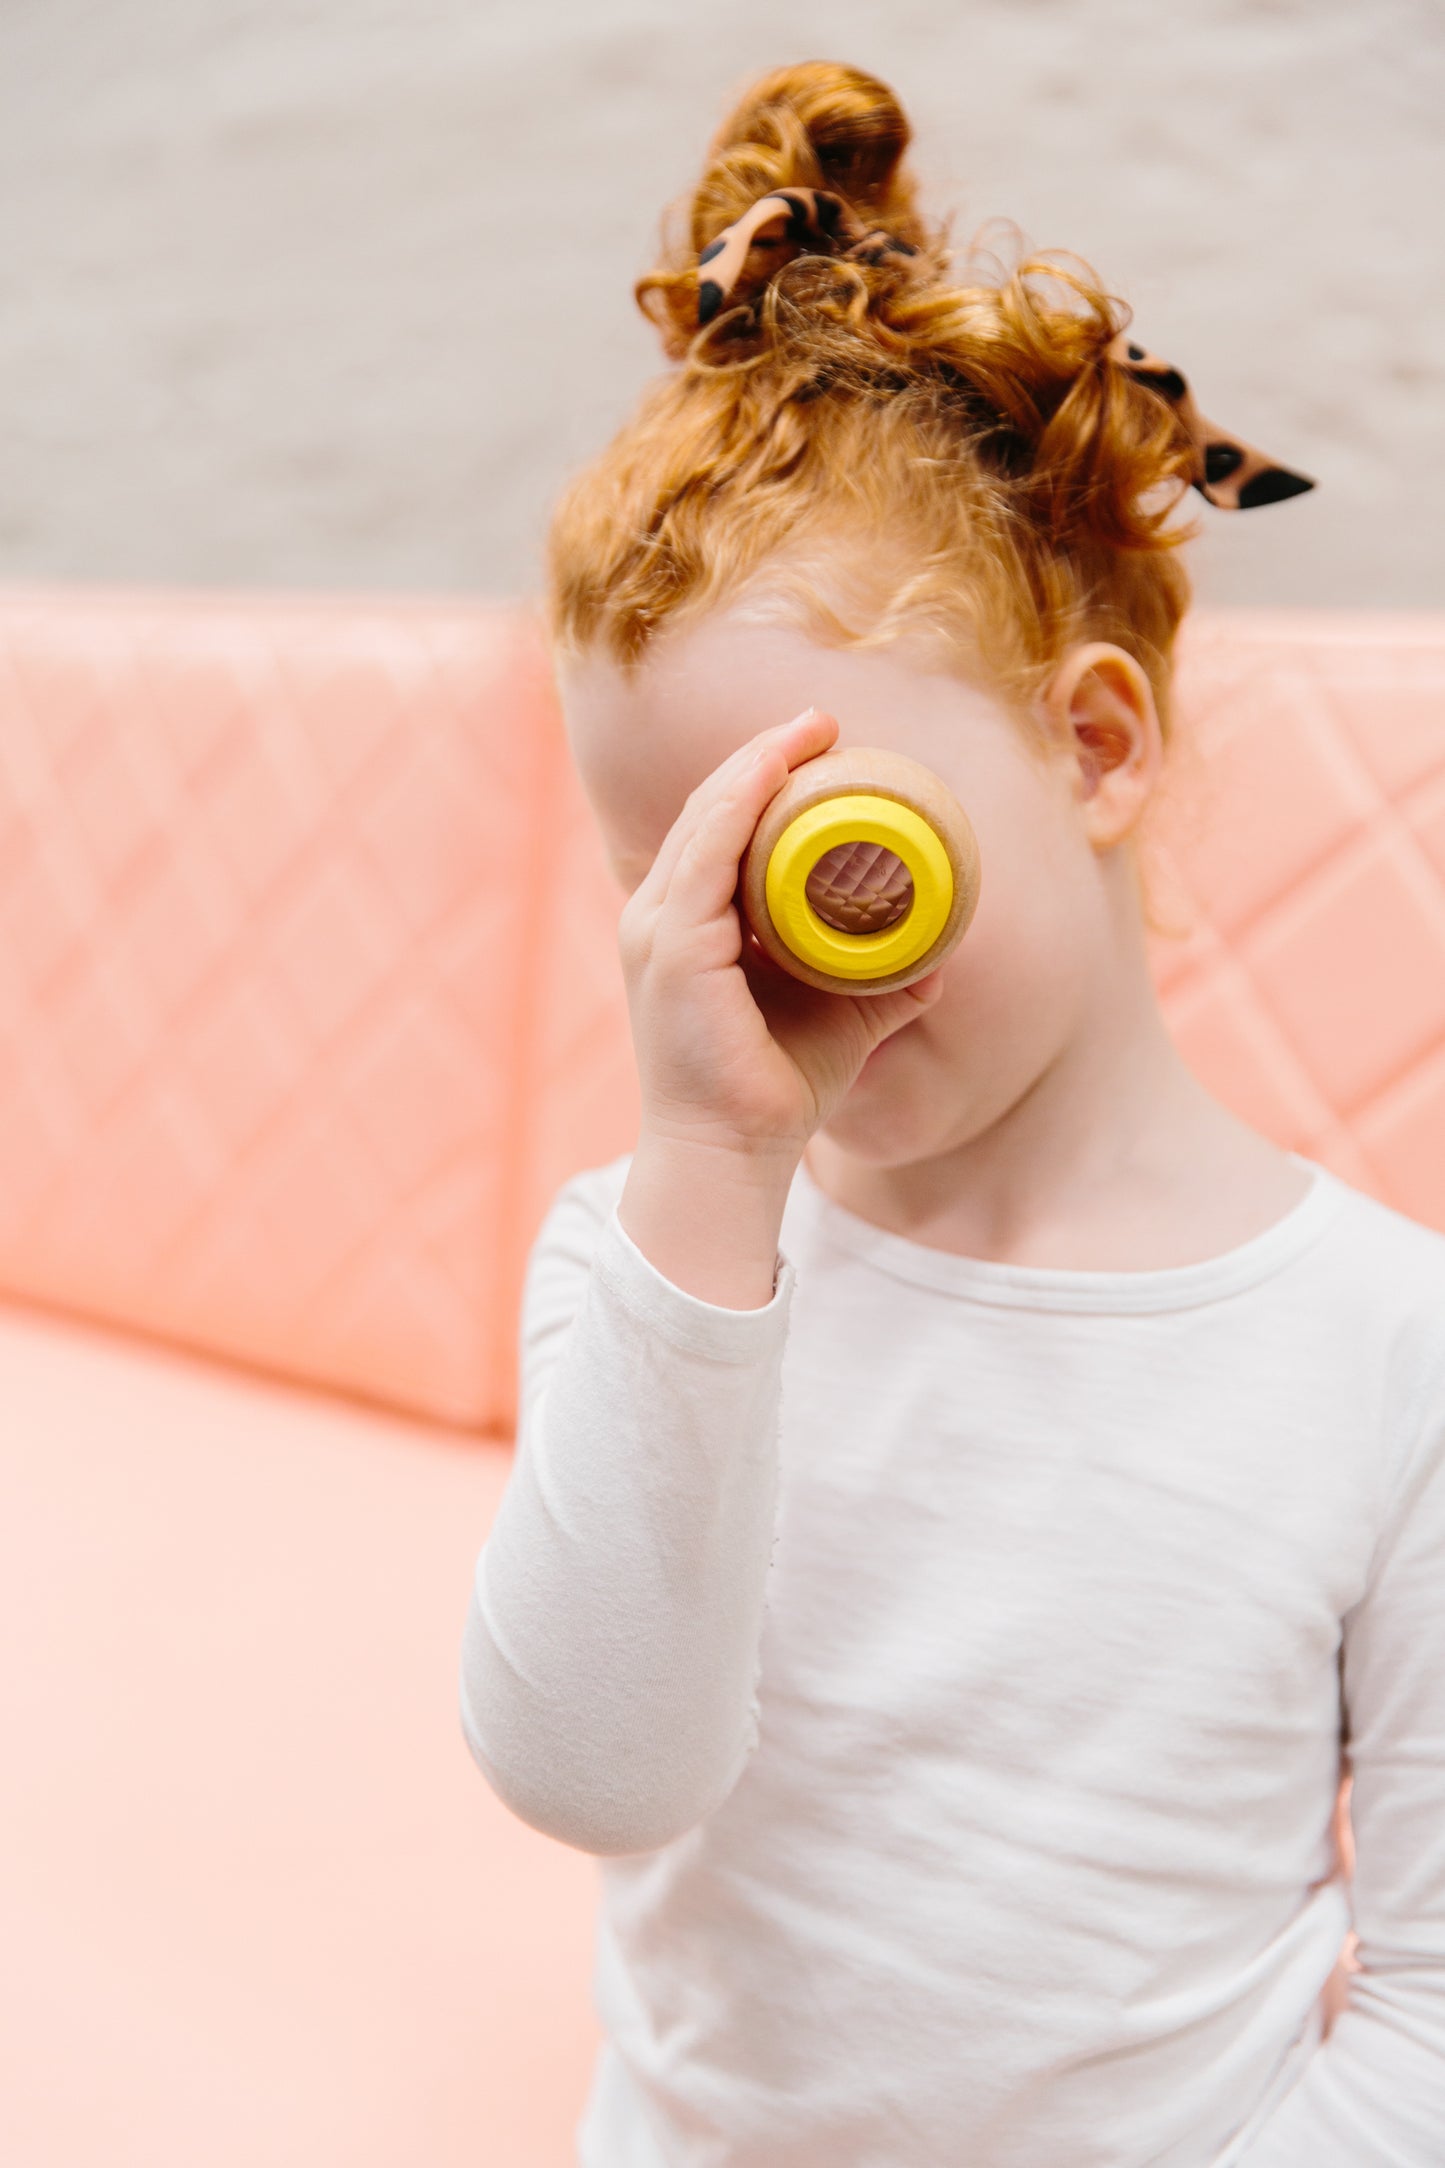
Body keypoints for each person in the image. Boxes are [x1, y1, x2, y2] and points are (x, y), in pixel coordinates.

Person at [458, 57, 1445, 2166]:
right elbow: (590, 1773)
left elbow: (1433, 2024)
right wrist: (711, 1193)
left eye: (824, 859)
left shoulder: (1389, 1357)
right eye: (672, 887)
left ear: (1093, 749)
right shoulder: (653, 1266)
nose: (758, 969)